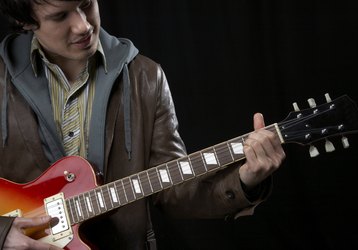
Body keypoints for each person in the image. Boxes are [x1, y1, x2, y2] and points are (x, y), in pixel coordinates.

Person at [0, 0, 285, 249]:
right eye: (61, 16)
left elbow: (174, 193)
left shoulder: (146, 77)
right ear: (25, 21)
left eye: (86, 4)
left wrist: (245, 178)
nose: (83, 26)